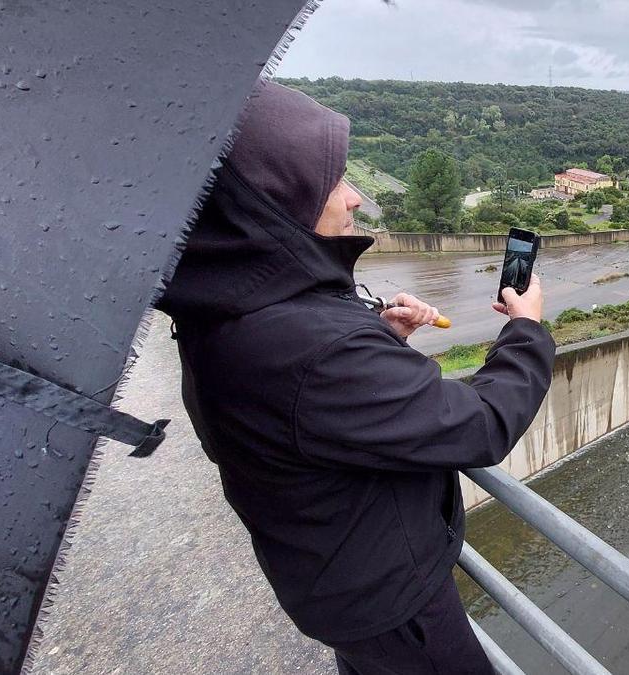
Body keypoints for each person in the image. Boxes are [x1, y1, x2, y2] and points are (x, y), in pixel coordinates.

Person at [157, 81, 555, 674]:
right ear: (275, 203)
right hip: (389, 598)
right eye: (333, 183)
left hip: (327, 575)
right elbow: (480, 426)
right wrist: (526, 329)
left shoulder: (221, 305)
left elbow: (286, 407)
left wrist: (379, 341)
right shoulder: (313, 347)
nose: (357, 197)